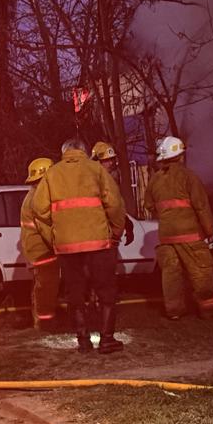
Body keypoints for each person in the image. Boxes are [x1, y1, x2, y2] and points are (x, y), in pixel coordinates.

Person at [33, 138, 127, 354]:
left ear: (64, 152)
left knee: (75, 294)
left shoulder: (52, 174)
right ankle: (107, 340)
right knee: (106, 292)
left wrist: (58, 232)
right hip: (99, 244)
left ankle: (83, 340)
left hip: (67, 248)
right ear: (84, 151)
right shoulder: (96, 170)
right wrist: (116, 231)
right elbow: (114, 204)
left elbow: (39, 209)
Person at [145, 136, 213, 320]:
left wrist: (167, 217)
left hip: (166, 235)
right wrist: (210, 231)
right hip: (189, 234)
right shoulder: (189, 177)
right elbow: (201, 205)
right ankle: (209, 308)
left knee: (171, 273)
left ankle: (174, 311)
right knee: (201, 270)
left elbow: (149, 205)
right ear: (180, 156)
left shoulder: (155, 180)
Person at [19, 157, 59, 330]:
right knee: (47, 288)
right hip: (42, 251)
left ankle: (41, 321)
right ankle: (45, 324)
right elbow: (45, 228)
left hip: (35, 250)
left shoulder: (32, 195)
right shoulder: (38, 199)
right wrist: (60, 245)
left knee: (40, 287)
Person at [91, 141, 135, 246]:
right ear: (97, 161)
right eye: (106, 160)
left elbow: (115, 205)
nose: (111, 163)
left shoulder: (109, 180)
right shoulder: (94, 182)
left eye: (112, 159)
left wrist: (125, 221)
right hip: (99, 236)